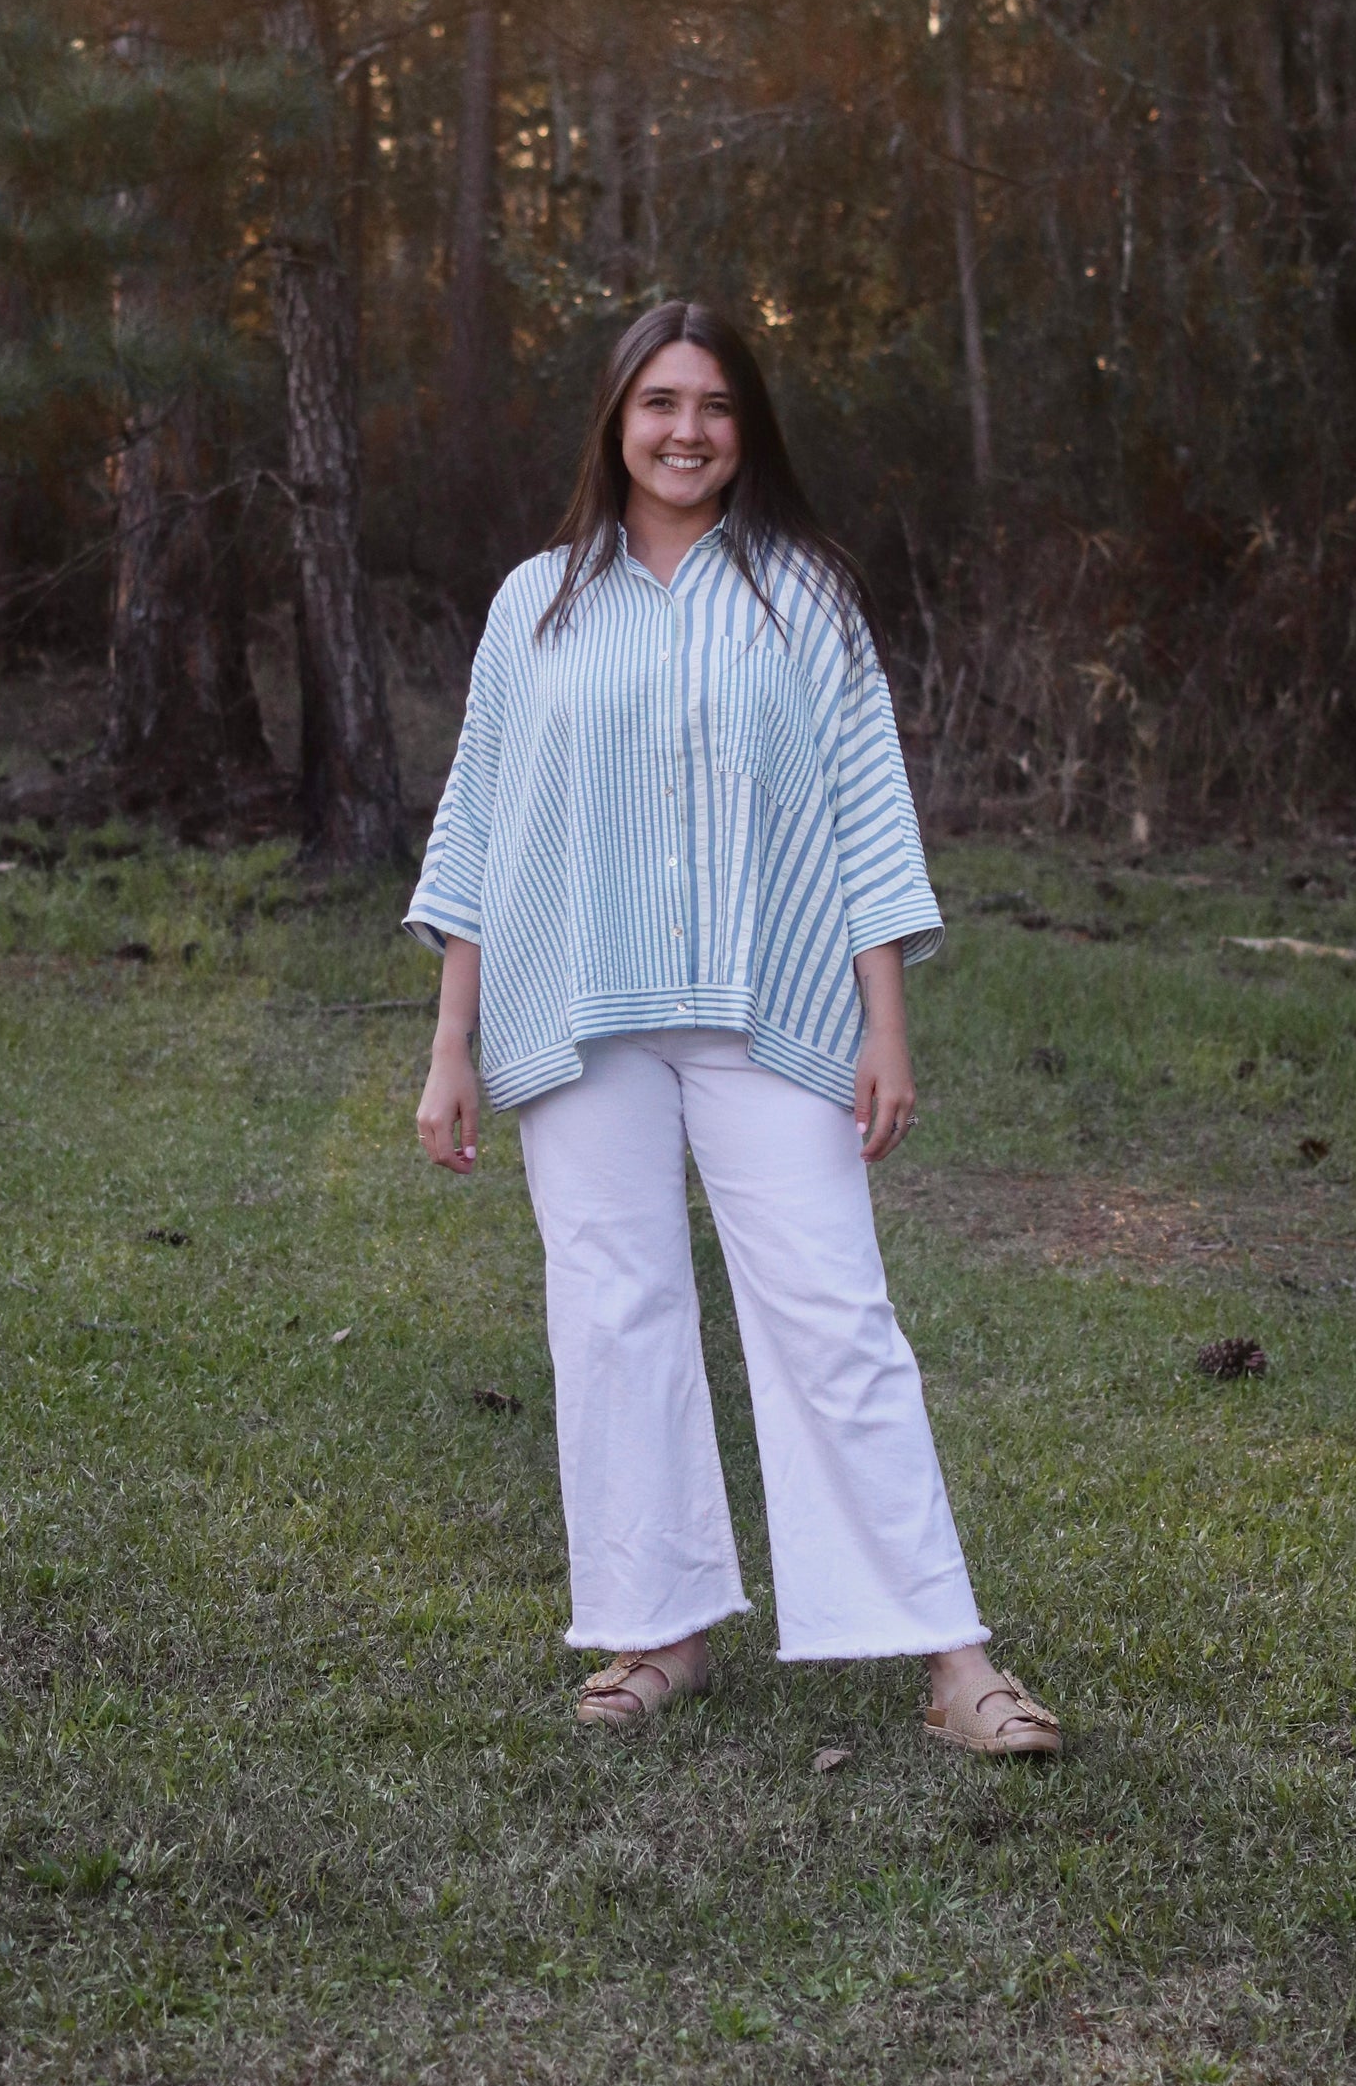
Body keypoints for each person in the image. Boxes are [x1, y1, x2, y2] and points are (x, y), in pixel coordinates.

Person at [406, 300, 1060, 1757]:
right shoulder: (537, 602)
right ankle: (659, 1628)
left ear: (743, 426)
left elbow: (864, 814)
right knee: (611, 1313)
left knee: (836, 1315)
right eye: (657, 403)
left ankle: (951, 1656)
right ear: (614, 423)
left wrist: (883, 1022)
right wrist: (451, 1039)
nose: (685, 429)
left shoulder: (807, 597)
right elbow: (477, 821)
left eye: (711, 403)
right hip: (577, 1013)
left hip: (774, 1010)